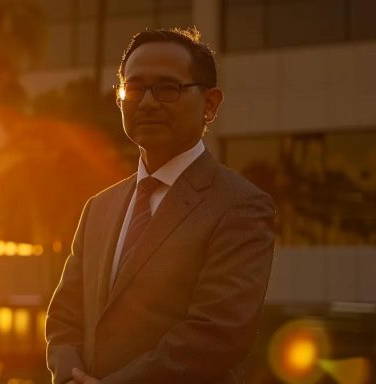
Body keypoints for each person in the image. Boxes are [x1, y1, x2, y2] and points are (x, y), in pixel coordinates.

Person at [45, 27, 276, 384]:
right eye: (135, 88)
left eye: (168, 88)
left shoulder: (240, 206)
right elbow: (64, 318)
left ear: (210, 105)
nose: (148, 102)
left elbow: (218, 333)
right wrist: (70, 374)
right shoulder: (99, 209)